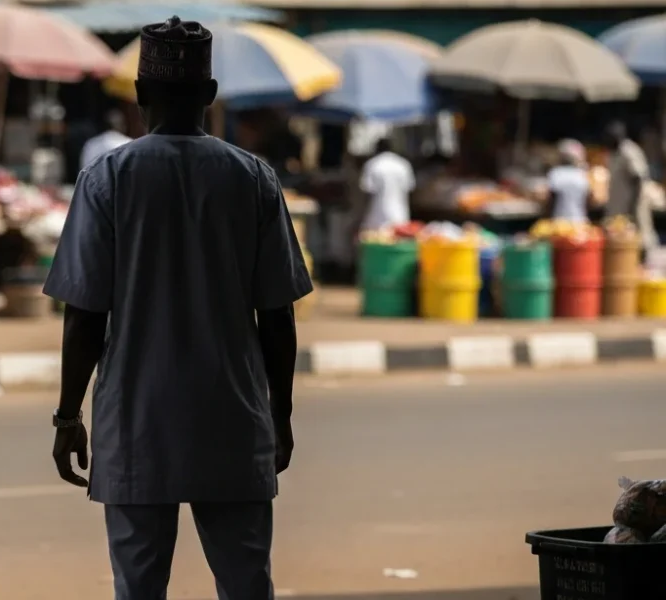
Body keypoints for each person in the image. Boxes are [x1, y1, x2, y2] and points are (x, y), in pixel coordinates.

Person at [42, 16, 311, 600]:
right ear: (210, 97)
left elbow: (84, 314)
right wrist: (280, 415)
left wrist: (68, 416)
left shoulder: (107, 179)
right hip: (234, 421)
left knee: (138, 587)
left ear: (140, 96)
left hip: (138, 422)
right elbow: (279, 315)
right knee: (246, 585)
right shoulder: (254, 179)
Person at [604, 121, 657, 252]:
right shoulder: (613, 152)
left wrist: (633, 204)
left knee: (641, 232)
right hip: (619, 201)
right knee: (619, 234)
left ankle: (646, 259)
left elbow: (638, 178)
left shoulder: (629, 151)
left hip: (634, 200)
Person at [358, 137, 415, 232]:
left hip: (377, 217)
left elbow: (367, 192)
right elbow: (410, 189)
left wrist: (362, 216)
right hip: (401, 215)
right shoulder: (404, 164)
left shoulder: (372, 164)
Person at [546, 139, 590, 223]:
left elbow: (551, 199)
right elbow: (587, 200)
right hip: (580, 220)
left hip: (559, 221)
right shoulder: (582, 174)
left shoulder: (556, 173)